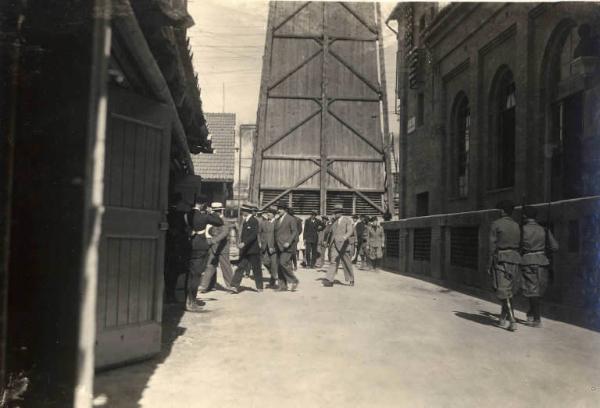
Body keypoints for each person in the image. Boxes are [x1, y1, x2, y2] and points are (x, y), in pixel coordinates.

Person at [520, 206, 559, 327]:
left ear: (525, 216)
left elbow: (517, 246)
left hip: (527, 261)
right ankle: (531, 314)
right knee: (539, 289)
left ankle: (536, 319)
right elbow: (555, 247)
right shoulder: (544, 229)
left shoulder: (522, 229)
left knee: (532, 290)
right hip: (542, 261)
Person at [184, 199, 223, 312]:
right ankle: (192, 302)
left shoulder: (186, 215)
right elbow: (219, 221)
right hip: (200, 246)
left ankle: (186, 300)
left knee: (189, 274)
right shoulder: (203, 216)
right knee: (196, 275)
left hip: (188, 245)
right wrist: (211, 212)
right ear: (202, 205)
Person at [488, 200, 522, 331]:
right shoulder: (517, 225)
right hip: (515, 259)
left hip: (501, 259)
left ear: (502, 211)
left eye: (500, 210)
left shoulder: (496, 224)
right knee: (508, 290)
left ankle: (512, 321)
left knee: (502, 290)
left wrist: (489, 263)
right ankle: (502, 319)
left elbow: (492, 246)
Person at [198, 202, 236, 293]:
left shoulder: (224, 221)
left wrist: (213, 240)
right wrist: (211, 233)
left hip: (222, 247)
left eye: (217, 211)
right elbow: (210, 231)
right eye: (214, 211)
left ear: (220, 211)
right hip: (214, 248)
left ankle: (231, 286)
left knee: (225, 267)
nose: (216, 213)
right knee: (210, 266)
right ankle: (204, 286)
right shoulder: (212, 220)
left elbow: (224, 233)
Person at [231, 203, 263, 292]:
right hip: (245, 250)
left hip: (253, 249)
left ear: (247, 211)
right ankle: (234, 285)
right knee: (240, 266)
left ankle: (259, 286)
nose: (241, 212)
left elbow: (253, 235)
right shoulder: (245, 221)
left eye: (243, 210)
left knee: (256, 268)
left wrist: (244, 243)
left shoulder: (254, 220)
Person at [165, 193, 190, 303]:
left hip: (168, 246)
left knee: (168, 272)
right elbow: (181, 231)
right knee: (174, 272)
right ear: (178, 203)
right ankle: (170, 295)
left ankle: (169, 294)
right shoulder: (180, 215)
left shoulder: (167, 213)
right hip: (176, 247)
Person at [323, 204, 355, 287]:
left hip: (344, 245)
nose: (334, 214)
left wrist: (344, 237)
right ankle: (329, 280)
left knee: (347, 263)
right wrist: (329, 223)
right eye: (334, 213)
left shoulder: (347, 220)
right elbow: (328, 232)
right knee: (333, 262)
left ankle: (351, 279)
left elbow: (350, 231)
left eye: (336, 213)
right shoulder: (334, 222)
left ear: (340, 213)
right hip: (334, 245)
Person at [274, 202, 300, 291]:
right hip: (278, 245)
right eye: (278, 208)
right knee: (279, 266)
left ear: (285, 210)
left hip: (287, 246)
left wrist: (288, 242)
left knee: (283, 263)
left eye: (280, 209)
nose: (278, 210)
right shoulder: (277, 219)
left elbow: (294, 232)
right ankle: (282, 286)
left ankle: (294, 280)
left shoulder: (291, 219)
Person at [259, 207, 278, 288]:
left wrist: (274, 246)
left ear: (273, 214)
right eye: (267, 213)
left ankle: (273, 279)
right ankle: (274, 274)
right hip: (264, 246)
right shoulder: (263, 223)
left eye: (269, 213)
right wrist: (259, 242)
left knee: (273, 263)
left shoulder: (277, 223)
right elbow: (259, 233)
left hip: (273, 247)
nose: (268, 215)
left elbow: (279, 236)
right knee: (265, 262)